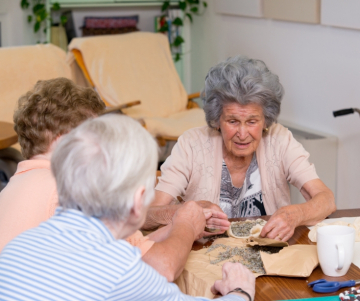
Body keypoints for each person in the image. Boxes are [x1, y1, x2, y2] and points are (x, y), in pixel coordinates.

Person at [0, 114, 255, 301]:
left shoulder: (18, 248)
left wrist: (173, 228)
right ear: (137, 202)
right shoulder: (118, 268)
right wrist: (240, 290)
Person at [0, 78, 206, 281]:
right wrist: (186, 226)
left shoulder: (13, 189)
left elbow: (124, 251)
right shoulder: (71, 192)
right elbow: (162, 268)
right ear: (64, 140)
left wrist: (175, 228)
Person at [144, 56, 336, 242]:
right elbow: (147, 216)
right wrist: (189, 211)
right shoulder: (192, 145)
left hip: (271, 257)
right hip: (203, 258)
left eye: (252, 121)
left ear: (265, 120)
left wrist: (296, 214)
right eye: (233, 121)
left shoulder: (279, 139)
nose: (243, 134)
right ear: (217, 120)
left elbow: (326, 200)